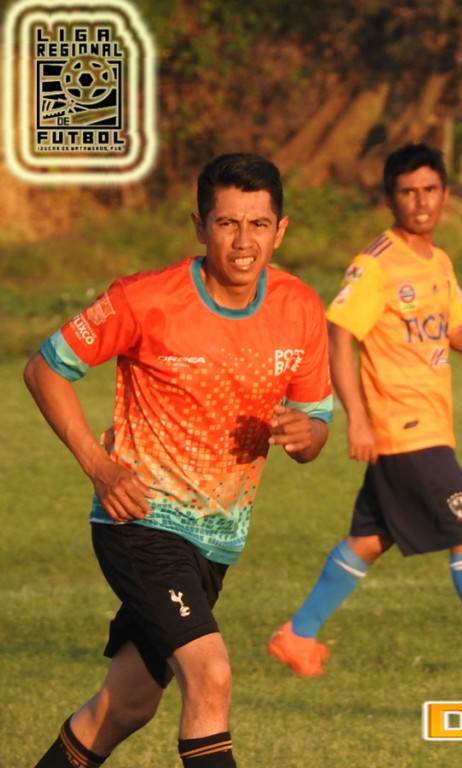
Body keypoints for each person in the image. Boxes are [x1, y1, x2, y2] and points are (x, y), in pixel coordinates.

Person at [25, 153, 333, 768]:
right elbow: (45, 369)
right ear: (199, 226)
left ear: (280, 230)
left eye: (258, 224)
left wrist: (308, 434)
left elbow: (315, 423)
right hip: (140, 523)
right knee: (210, 673)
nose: (243, 242)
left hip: (217, 541)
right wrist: (99, 466)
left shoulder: (300, 307)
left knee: (126, 705)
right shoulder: (144, 299)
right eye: (227, 223)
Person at [267, 142, 462, 677]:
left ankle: (298, 635)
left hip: (426, 427)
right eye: (408, 192)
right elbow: (339, 333)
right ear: (391, 198)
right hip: (404, 428)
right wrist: (357, 418)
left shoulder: (438, 262)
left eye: (429, 190)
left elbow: (458, 331)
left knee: (371, 538)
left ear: (445, 194)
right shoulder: (374, 265)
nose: (420, 201)